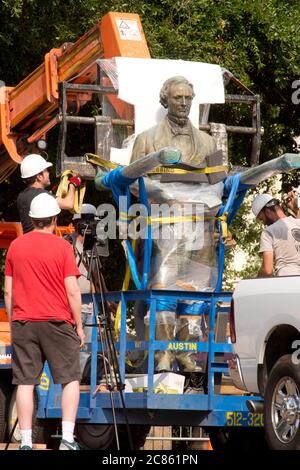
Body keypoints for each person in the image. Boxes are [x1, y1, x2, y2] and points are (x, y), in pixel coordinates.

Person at [130, 76, 221, 373]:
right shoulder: (146, 139)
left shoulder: (208, 142)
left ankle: (188, 354)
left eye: (188, 98)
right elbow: (133, 181)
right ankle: (163, 354)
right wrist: (162, 196)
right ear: (165, 99)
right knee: (162, 288)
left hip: (200, 230)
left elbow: (219, 186)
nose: (183, 103)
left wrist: (218, 223)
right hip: (164, 226)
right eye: (177, 97)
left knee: (197, 290)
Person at [4, 193, 84, 450]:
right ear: (54, 219)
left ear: (32, 219)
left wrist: (15, 318)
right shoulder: (63, 247)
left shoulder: (16, 246)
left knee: (25, 383)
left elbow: (9, 291)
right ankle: (68, 439)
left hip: (23, 322)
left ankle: (26, 441)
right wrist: (79, 325)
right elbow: (72, 290)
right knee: (70, 379)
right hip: (57, 323)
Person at [17, 153, 82, 233]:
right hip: (42, 241)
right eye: (46, 171)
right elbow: (68, 204)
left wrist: (52, 193)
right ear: (39, 177)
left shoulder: (22, 195)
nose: (48, 173)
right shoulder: (41, 195)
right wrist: (73, 184)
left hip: (28, 240)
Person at [252, 193, 300, 277]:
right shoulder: (298, 223)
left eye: (261, 218)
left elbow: (267, 270)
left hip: (287, 280)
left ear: (267, 211)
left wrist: (255, 283)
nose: (264, 223)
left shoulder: (268, 232)